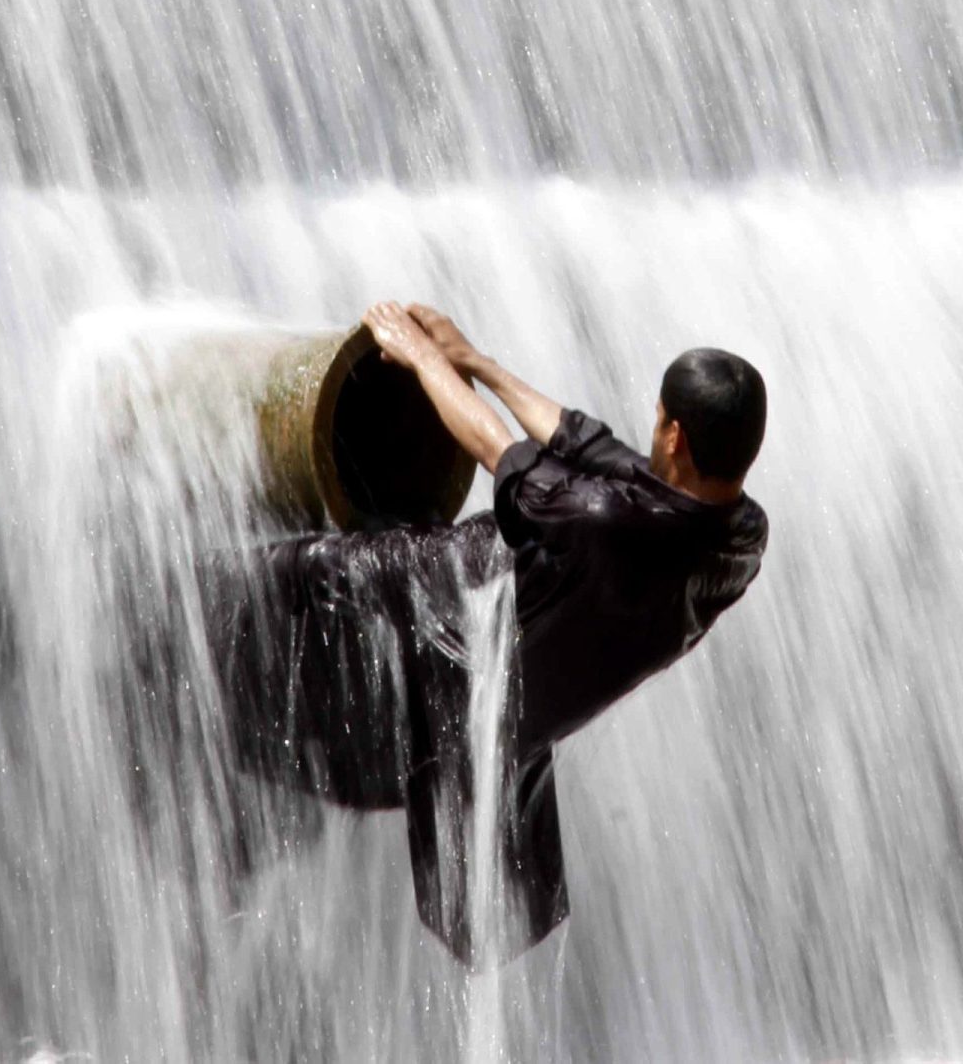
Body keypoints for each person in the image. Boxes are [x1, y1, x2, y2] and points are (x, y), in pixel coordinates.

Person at [212, 303, 769, 966]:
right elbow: (587, 445)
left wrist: (421, 360)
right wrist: (474, 362)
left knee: (282, 573)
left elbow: (494, 450)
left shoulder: (601, 522)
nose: (651, 433)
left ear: (674, 438)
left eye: (658, 420)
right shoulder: (740, 537)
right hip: (530, 667)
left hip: (457, 607)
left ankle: (173, 625)